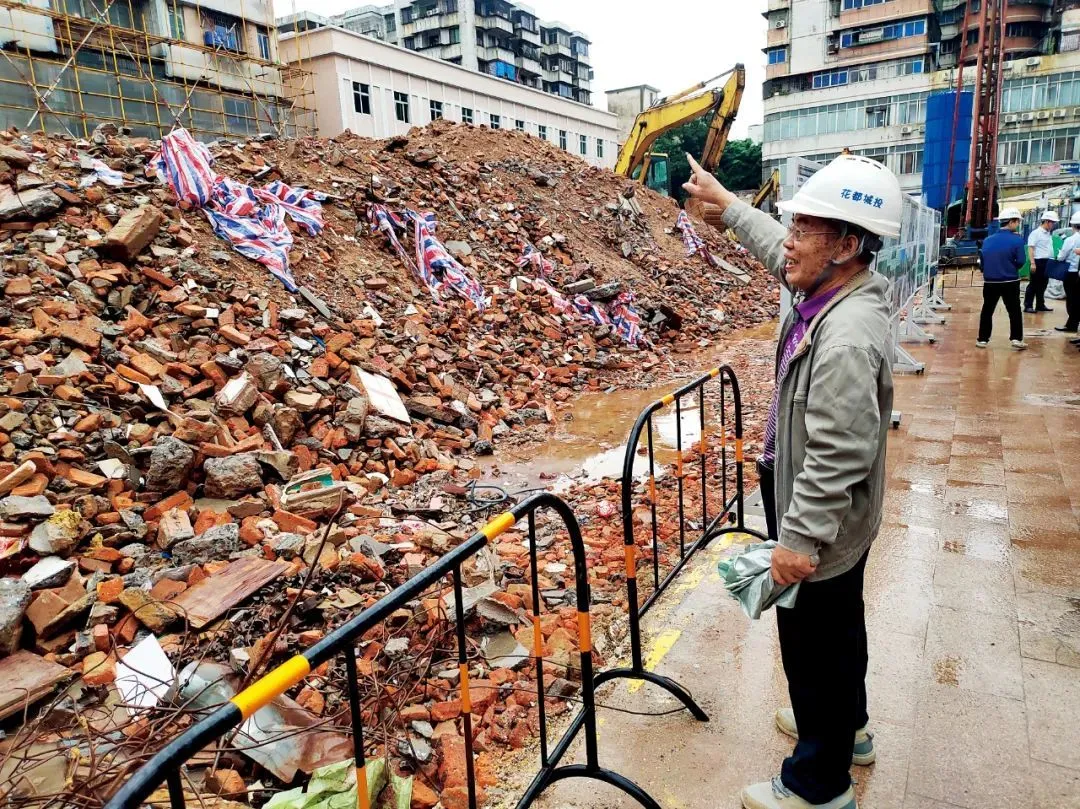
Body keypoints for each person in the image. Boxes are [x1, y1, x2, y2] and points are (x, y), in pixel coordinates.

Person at [684, 153, 896, 809]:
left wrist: (796, 542)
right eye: (795, 224)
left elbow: (837, 451)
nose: (792, 240)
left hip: (821, 523)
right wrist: (731, 211)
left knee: (812, 648)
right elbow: (780, 249)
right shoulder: (831, 287)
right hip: (836, 520)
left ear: (847, 244)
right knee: (839, 634)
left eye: (806, 228)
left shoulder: (846, 335)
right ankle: (848, 731)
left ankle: (818, 782)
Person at [977, 208, 1028, 350]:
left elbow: (983, 260)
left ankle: (982, 339)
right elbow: (1021, 261)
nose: (1017, 224)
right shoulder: (1017, 240)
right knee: (1014, 311)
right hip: (1010, 281)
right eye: (1017, 221)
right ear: (1011, 222)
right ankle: (1016, 339)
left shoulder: (987, 240)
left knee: (987, 310)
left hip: (990, 282)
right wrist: (1011, 267)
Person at [1025, 211, 1058, 313]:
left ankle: (1040, 304)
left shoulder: (1048, 234)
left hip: (1046, 262)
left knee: (1043, 284)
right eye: (1052, 223)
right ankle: (1028, 306)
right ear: (1047, 222)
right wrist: (1033, 263)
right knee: (1033, 284)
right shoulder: (1036, 233)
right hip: (1038, 262)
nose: (1053, 225)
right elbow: (1031, 248)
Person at [1055, 211, 1080, 335]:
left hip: (1070, 273)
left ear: (1073, 225)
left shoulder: (1071, 240)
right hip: (1078, 273)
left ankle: (1072, 324)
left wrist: (1058, 256)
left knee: (1071, 299)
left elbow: (1062, 256)